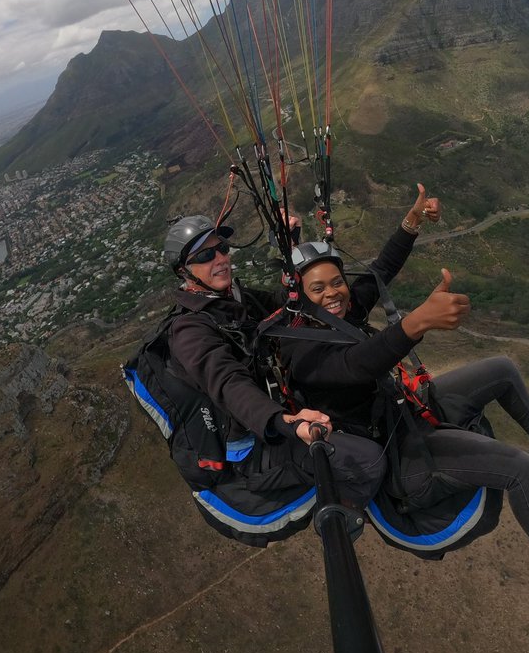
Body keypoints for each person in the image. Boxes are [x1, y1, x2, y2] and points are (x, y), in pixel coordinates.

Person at [277, 191, 529, 606]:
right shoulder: (302, 351)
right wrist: (415, 323)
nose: (334, 292)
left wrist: (412, 222)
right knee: (516, 468)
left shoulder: (340, 313)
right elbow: (357, 365)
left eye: (337, 281)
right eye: (318, 288)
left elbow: (380, 271)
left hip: (405, 412)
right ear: (299, 296)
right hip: (398, 459)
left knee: (500, 368)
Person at [163, 214, 386, 510]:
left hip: (280, 411)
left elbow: (287, 307)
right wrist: (282, 422)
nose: (219, 259)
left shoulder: (235, 300)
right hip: (254, 446)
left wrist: (289, 253)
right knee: (368, 460)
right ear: (184, 271)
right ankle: (347, 513)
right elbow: (229, 384)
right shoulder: (189, 331)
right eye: (205, 255)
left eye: (222, 248)